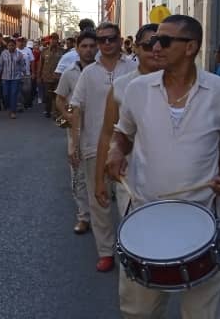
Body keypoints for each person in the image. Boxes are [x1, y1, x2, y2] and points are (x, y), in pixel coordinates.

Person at [108, 15, 220, 318]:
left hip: (203, 219)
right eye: (154, 40)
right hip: (146, 212)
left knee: (201, 313)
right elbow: (123, 133)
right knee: (138, 312)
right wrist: (115, 152)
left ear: (190, 47)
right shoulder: (137, 89)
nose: (156, 46)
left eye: (165, 41)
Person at [68, 22, 136, 272]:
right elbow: (77, 108)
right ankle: (106, 251)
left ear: (120, 40)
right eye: (102, 40)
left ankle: (131, 248)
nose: (106, 43)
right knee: (99, 201)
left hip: (128, 145)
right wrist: (74, 142)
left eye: (111, 39)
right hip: (93, 144)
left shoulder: (135, 68)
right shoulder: (88, 73)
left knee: (129, 199)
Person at [96, 23, 159, 217]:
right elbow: (107, 134)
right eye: (149, 45)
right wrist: (100, 180)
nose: (156, 50)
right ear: (136, 48)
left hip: (173, 186)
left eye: (163, 44)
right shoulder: (122, 86)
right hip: (131, 182)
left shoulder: (182, 88)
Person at [54, 32, 98, 237]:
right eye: (84, 46)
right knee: (78, 174)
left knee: (101, 175)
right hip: (77, 129)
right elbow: (60, 99)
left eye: (92, 46)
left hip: (102, 129)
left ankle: (99, 217)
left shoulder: (104, 71)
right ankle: (83, 217)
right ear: (77, 49)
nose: (88, 50)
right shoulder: (69, 73)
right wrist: (67, 117)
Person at [0, 38, 26, 119]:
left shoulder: (19, 54)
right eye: (9, 45)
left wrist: (24, 75)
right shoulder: (3, 54)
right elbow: (0, 66)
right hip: (5, 78)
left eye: (12, 45)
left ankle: (13, 111)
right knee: (5, 94)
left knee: (14, 94)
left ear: (15, 46)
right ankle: (9, 106)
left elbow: (22, 65)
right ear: (7, 46)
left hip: (16, 78)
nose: (11, 47)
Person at [39, 33, 63, 118]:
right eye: (52, 39)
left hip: (58, 78)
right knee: (48, 95)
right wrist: (39, 76)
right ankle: (47, 110)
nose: (53, 41)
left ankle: (55, 112)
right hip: (47, 77)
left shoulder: (62, 51)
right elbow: (40, 65)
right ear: (49, 40)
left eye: (55, 39)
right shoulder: (44, 51)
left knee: (56, 96)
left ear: (57, 40)